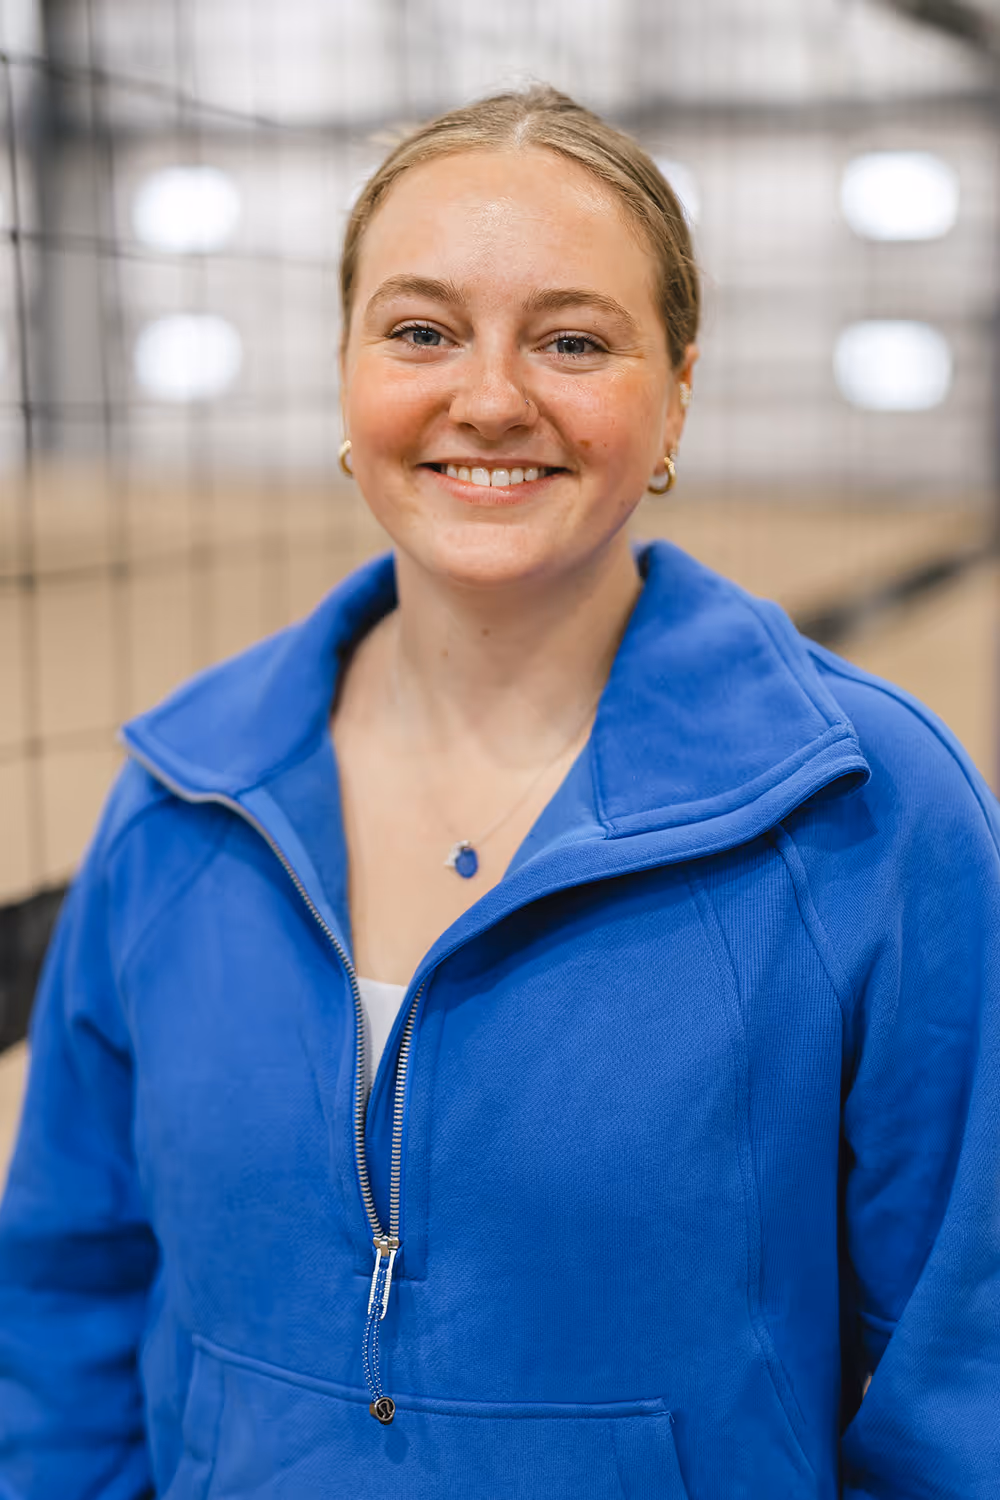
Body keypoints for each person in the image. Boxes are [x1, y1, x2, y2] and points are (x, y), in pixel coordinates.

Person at [0, 83, 997, 1500]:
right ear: (347, 376)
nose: (487, 397)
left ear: (675, 399)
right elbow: (64, 1305)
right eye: (420, 331)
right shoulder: (181, 803)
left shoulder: (875, 811)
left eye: (573, 340)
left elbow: (968, 1378)